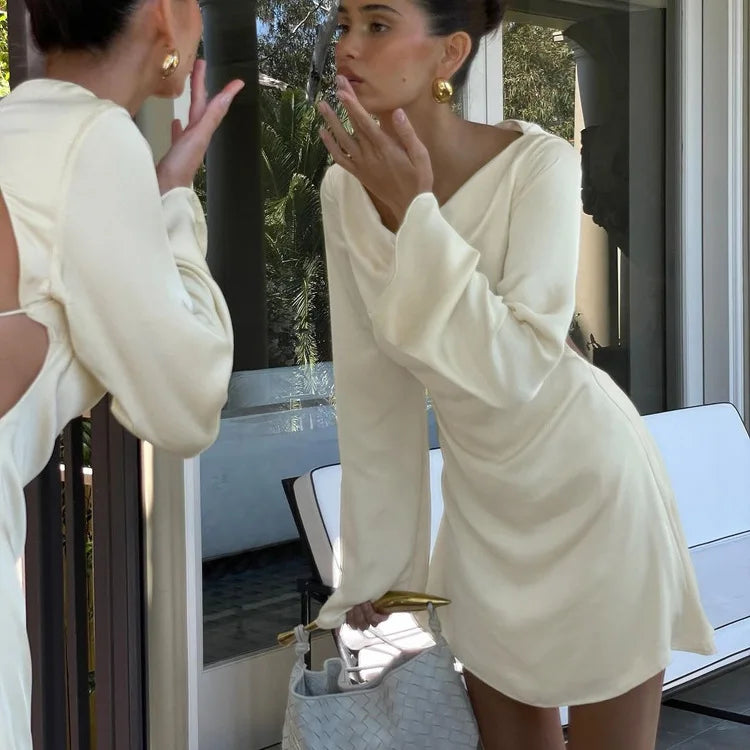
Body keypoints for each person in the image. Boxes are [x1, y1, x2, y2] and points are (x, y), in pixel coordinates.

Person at [314, 1, 716, 748]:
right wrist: (379, 567)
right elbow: (374, 393)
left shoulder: (540, 165)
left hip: (590, 489)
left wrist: (416, 217)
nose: (347, 48)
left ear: (449, 54)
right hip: (483, 510)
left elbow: (519, 366)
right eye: (343, 25)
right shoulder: (343, 192)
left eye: (377, 24)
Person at [0, 1, 242, 747]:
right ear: (163, 15)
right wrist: (174, 200)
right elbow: (189, 398)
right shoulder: (94, 140)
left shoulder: (18, 129)